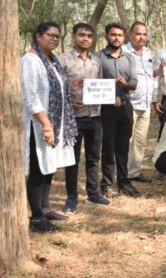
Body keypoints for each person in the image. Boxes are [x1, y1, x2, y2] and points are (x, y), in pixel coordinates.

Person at [22, 22, 77, 232]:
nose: (54, 39)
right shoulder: (30, 61)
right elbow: (30, 97)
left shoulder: (52, 60)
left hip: (55, 123)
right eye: (50, 35)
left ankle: (45, 209)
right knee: (38, 168)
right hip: (38, 125)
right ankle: (36, 217)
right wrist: (46, 124)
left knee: (49, 165)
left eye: (57, 36)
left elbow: (57, 88)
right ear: (38, 36)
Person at [59, 22, 110, 213]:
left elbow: (101, 86)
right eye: (81, 35)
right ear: (73, 37)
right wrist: (70, 101)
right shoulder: (63, 60)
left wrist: (110, 98)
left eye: (89, 36)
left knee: (93, 157)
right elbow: (56, 88)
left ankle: (93, 193)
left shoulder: (96, 61)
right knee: (72, 159)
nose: (85, 39)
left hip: (95, 115)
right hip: (73, 117)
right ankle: (71, 198)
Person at [97, 22, 140, 198]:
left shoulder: (129, 58)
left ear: (124, 37)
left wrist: (125, 84)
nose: (116, 38)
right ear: (106, 36)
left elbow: (134, 83)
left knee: (123, 147)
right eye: (113, 35)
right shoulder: (97, 58)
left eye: (119, 35)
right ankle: (107, 184)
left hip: (125, 107)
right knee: (108, 148)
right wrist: (108, 97)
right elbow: (93, 85)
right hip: (106, 110)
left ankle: (124, 182)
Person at [123, 21, 155, 184]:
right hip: (129, 104)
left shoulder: (149, 53)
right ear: (130, 35)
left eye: (144, 34)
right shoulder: (123, 52)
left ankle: (134, 172)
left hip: (145, 104)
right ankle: (121, 174)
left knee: (140, 142)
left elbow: (151, 77)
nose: (141, 37)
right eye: (138, 34)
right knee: (126, 141)